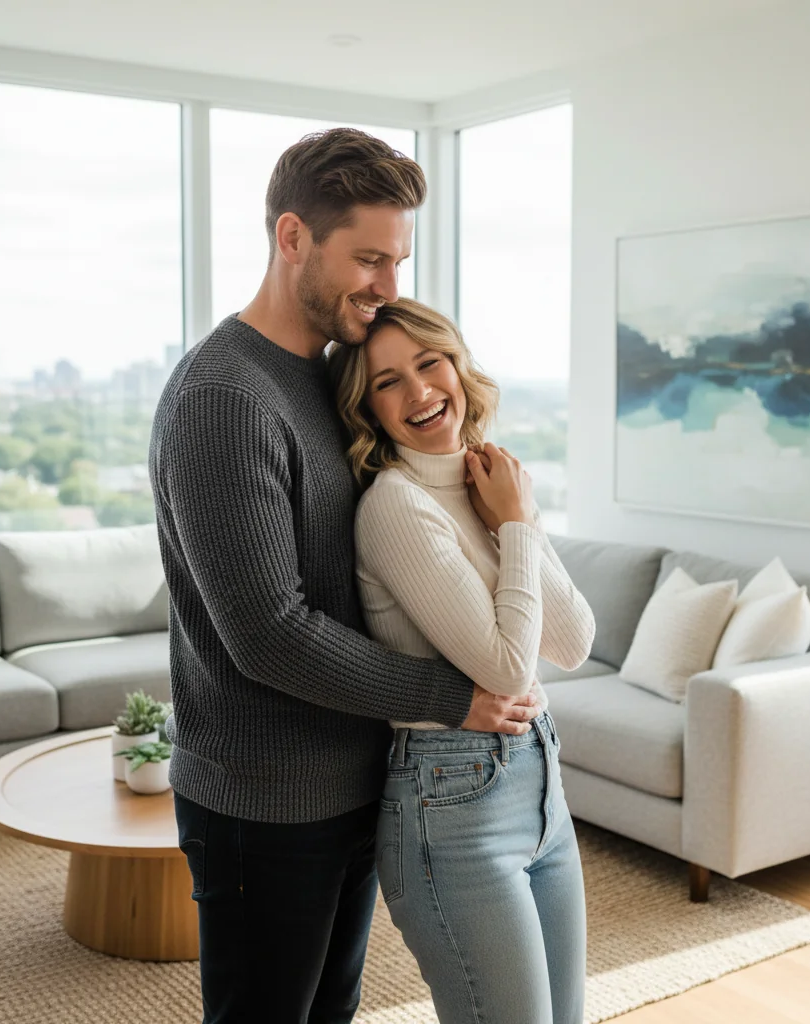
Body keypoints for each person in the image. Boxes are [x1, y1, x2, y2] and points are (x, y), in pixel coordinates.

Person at [148, 128, 541, 1024]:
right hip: (266, 799)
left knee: (334, 1012)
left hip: (362, 771)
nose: (387, 288)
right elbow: (269, 633)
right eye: (368, 259)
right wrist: (454, 696)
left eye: (396, 262)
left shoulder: (332, 374)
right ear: (293, 238)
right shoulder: (224, 398)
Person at [326, 298, 596, 1023]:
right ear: (368, 407)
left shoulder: (489, 483)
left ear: (457, 366)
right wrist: (513, 523)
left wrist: (520, 518)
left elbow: (572, 642)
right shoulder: (395, 506)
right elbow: (511, 668)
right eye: (387, 382)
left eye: (428, 362)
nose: (418, 391)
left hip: (543, 792)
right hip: (452, 810)